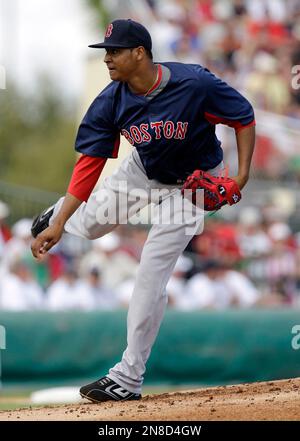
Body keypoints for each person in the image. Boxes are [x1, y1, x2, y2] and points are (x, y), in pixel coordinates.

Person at [31, 19, 256, 402]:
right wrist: (61, 221)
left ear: (140, 52)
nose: (108, 59)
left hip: (192, 185)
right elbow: (89, 164)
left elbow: (244, 116)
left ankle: (128, 377)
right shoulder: (111, 100)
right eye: (106, 52)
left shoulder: (194, 84)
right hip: (144, 170)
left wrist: (242, 176)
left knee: (151, 273)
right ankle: (60, 215)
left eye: (115, 51)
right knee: (90, 227)